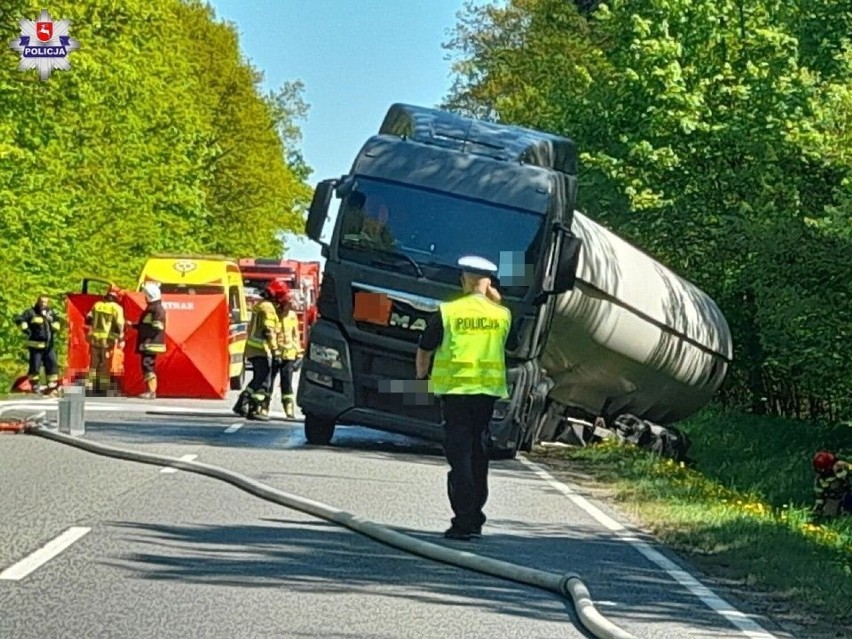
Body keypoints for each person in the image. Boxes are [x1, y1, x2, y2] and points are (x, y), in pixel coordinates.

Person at [415, 255, 511, 540]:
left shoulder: (448, 312)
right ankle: (475, 518)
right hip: (486, 394)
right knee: (479, 454)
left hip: (455, 394)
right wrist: (497, 301)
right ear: (489, 282)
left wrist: (422, 379)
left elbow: (425, 349)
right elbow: (511, 343)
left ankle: (464, 521)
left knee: (460, 457)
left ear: (463, 280)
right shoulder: (502, 315)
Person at [233, 278, 289, 421]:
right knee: (264, 379)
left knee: (258, 378)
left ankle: (242, 402)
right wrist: (276, 350)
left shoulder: (263, 305)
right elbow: (269, 330)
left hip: (255, 348)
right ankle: (254, 409)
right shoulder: (268, 308)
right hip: (260, 349)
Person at [15, 294, 62, 396]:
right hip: (36, 345)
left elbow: (57, 319)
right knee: (35, 367)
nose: (43, 304)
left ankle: (52, 386)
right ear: (38, 301)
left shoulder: (50, 312)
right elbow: (19, 319)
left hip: (49, 346)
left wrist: (57, 324)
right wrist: (24, 326)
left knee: (52, 365)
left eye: (45, 302)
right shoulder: (31, 312)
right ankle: (35, 385)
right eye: (41, 302)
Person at [84, 285, 125, 396]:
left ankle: (89, 386)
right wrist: (121, 336)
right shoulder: (116, 308)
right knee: (105, 364)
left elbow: (88, 318)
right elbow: (120, 324)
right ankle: (102, 387)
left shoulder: (97, 305)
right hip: (107, 340)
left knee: (94, 363)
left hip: (94, 338)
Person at [273, 285, 303, 419]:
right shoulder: (274, 313)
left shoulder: (292, 316)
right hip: (275, 353)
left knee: (287, 381)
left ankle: (289, 409)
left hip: (289, 354)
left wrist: (299, 352)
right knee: (268, 381)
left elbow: (295, 335)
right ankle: (263, 406)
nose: (289, 306)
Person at [135, 282, 166, 399]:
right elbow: (146, 325)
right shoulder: (152, 308)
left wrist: (147, 340)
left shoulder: (156, 309)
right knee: (146, 365)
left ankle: (151, 391)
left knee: (148, 365)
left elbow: (157, 326)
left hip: (151, 343)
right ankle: (149, 390)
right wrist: (134, 325)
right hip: (148, 343)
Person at [812, 451, 851, 520]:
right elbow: (819, 495)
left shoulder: (845, 467)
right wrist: (818, 508)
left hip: (848, 493)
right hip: (835, 498)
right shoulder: (820, 480)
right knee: (828, 515)